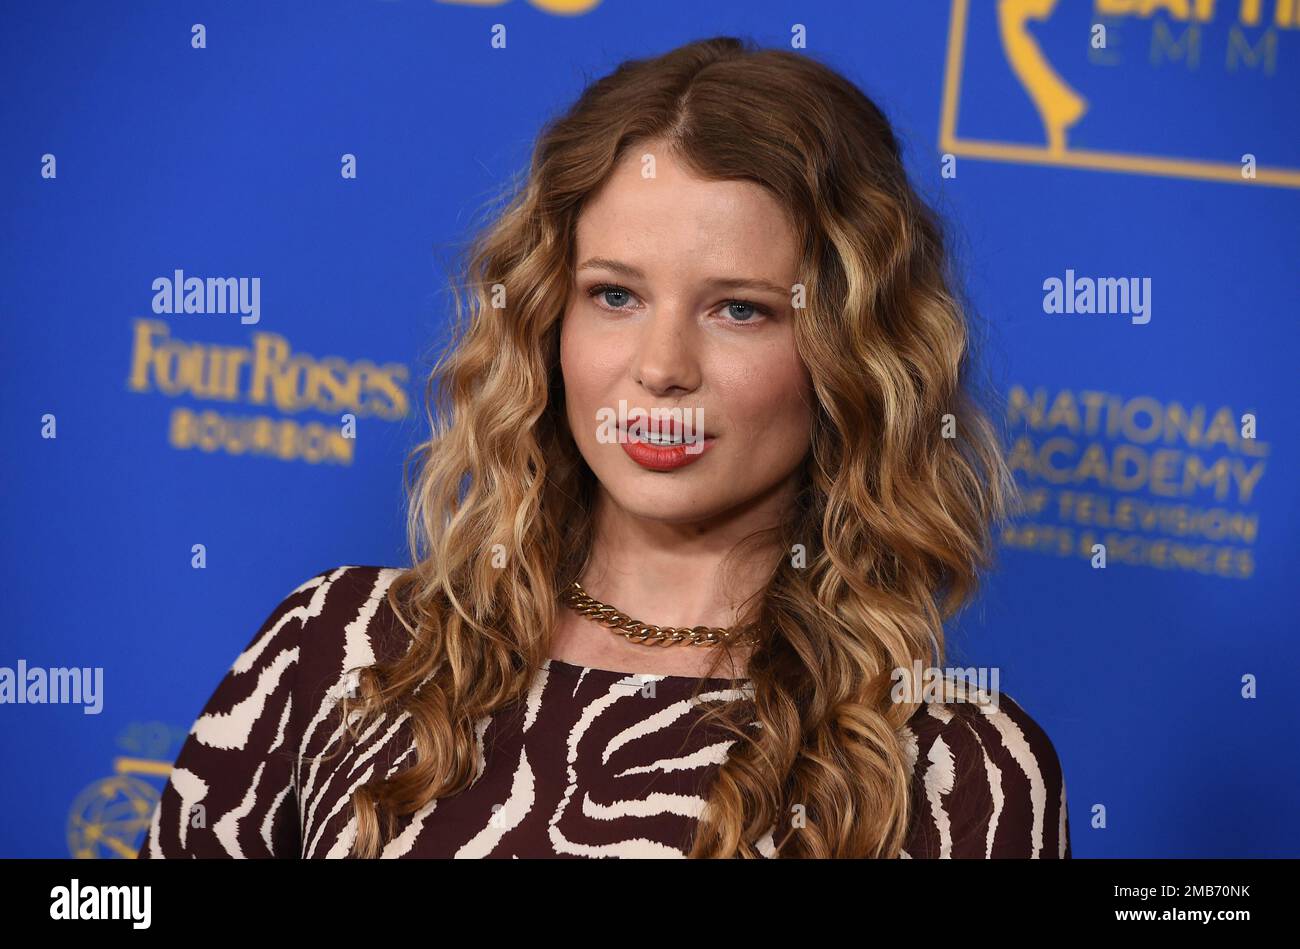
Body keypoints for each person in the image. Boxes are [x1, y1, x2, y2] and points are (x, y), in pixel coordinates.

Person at [139, 36, 1070, 859]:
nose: (661, 367)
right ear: (546, 318)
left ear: (850, 356)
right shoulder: (339, 655)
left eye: (738, 309)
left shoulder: (957, 769)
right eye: (615, 295)